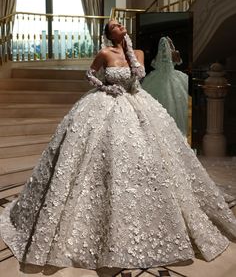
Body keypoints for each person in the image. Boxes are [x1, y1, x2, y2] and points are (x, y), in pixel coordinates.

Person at [0, 20, 236, 271]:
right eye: (114, 25)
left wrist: (131, 54)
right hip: (106, 102)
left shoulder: (139, 53)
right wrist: (104, 86)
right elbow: (89, 74)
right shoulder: (104, 53)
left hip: (136, 102)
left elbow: (140, 76)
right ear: (108, 33)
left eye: (120, 24)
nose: (119, 25)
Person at [142, 36, 188, 136]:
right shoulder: (174, 53)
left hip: (163, 75)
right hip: (168, 75)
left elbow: (155, 64)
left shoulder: (167, 53)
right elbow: (178, 62)